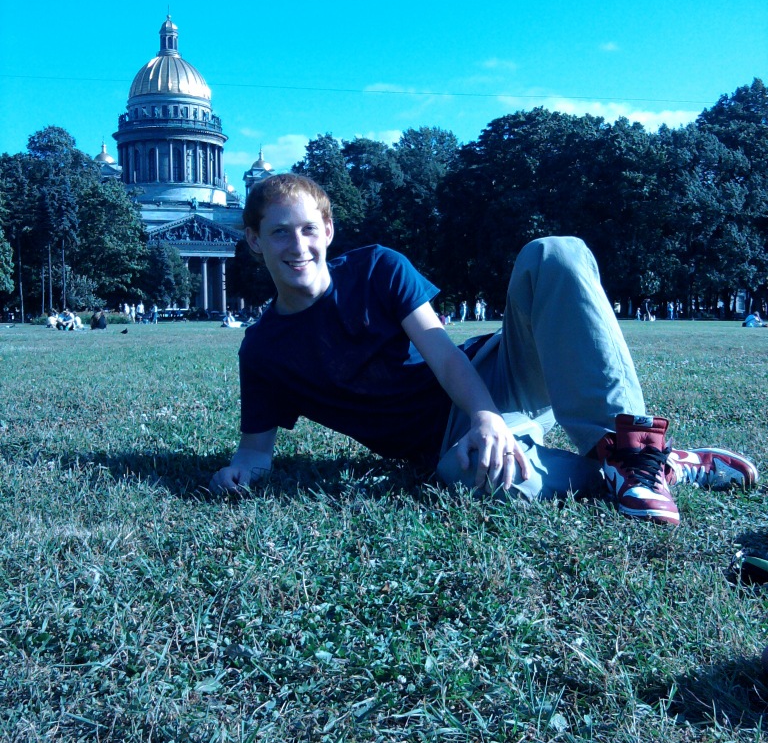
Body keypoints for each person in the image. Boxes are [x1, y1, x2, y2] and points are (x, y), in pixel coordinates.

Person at [210, 174, 758, 526]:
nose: (298, 245)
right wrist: (237, 474)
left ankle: (635, 453)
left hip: (490, 376)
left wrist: (486, 416)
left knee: (554, 253)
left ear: (328, 230)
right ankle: (653, 473)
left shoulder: (377, 268)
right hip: (446, 445)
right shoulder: (263, 352)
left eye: (308, 229)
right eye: (279, 233)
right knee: (476, 477)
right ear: (253, 239)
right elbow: (255, 453)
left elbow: (444, 354)